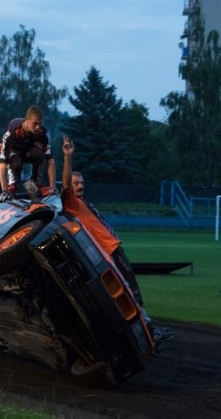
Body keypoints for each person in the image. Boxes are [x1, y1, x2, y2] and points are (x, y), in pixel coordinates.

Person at [61, 136, 173, 350]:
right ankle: (149, 335)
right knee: (130, 293)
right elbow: (65, 184)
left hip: (113, 249)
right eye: (76, 183)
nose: (80, 185)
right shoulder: (72, 203)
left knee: (132, 291)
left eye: (82, 182)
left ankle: (146, 334)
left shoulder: (84, 203)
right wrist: (68, 158)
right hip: (108, 253)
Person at [0, 105, 56, 202]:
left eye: (40, 124)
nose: (37, 127)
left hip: (28, 152)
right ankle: (12, 185)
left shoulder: (43, 132)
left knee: (40, 154)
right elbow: (2, 162)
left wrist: (53, 187)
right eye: (35, 124)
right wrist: (4, 190)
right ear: (26, 120)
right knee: (16, 163)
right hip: (13, 154)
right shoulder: (13, 129)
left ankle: (34, 185)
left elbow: (51, 161)